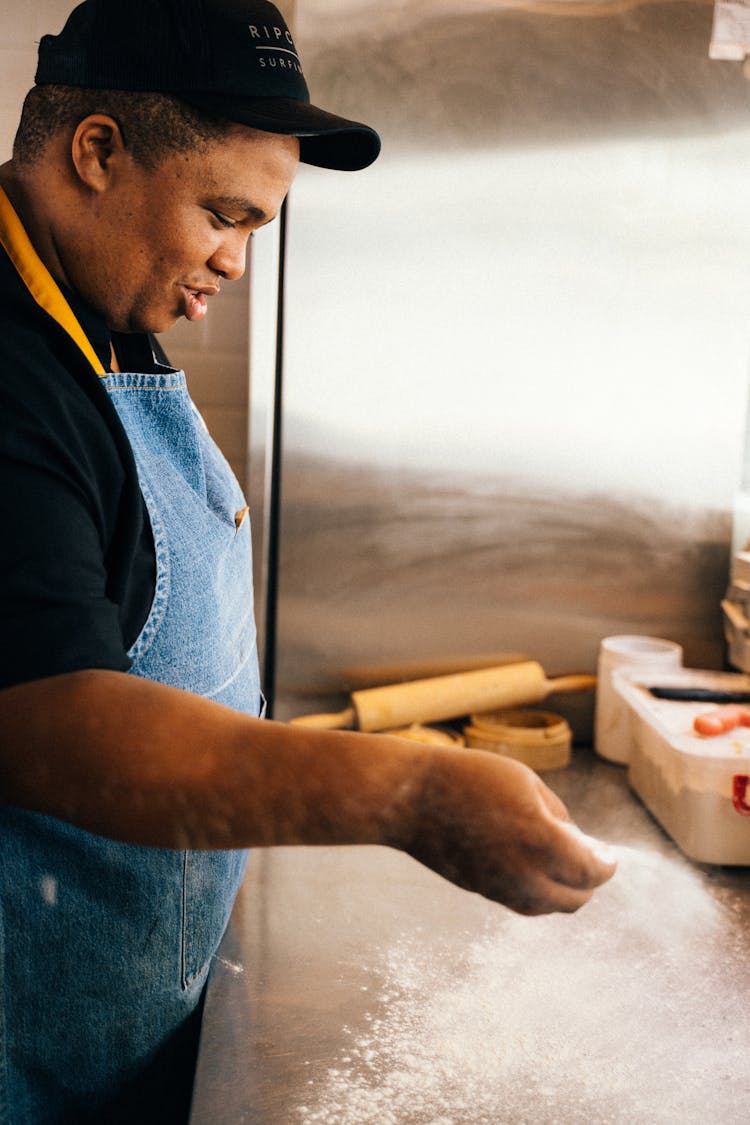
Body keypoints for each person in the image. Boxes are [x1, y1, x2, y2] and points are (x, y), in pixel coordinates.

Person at [0, 0, 616, 1120]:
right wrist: (414, 795)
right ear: (98, 152)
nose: (235, 261)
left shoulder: (101, 302)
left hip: (121, 1015)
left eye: (256, 229)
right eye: (223, 215)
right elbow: (55, 720)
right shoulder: (10, 367)